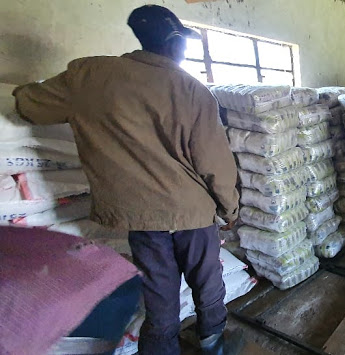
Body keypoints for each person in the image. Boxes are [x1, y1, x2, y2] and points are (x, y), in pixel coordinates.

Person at [13, 5, 241, 355]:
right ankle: (213, 342)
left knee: (159, 293)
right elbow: (215, 162)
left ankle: (161, 348)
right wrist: (230, 207)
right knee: (207, 279)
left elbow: (30, 106)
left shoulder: (90, 75)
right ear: (176, 42)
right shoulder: (193, 90)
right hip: (193, 212)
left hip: (141, 215)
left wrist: (22, 88)